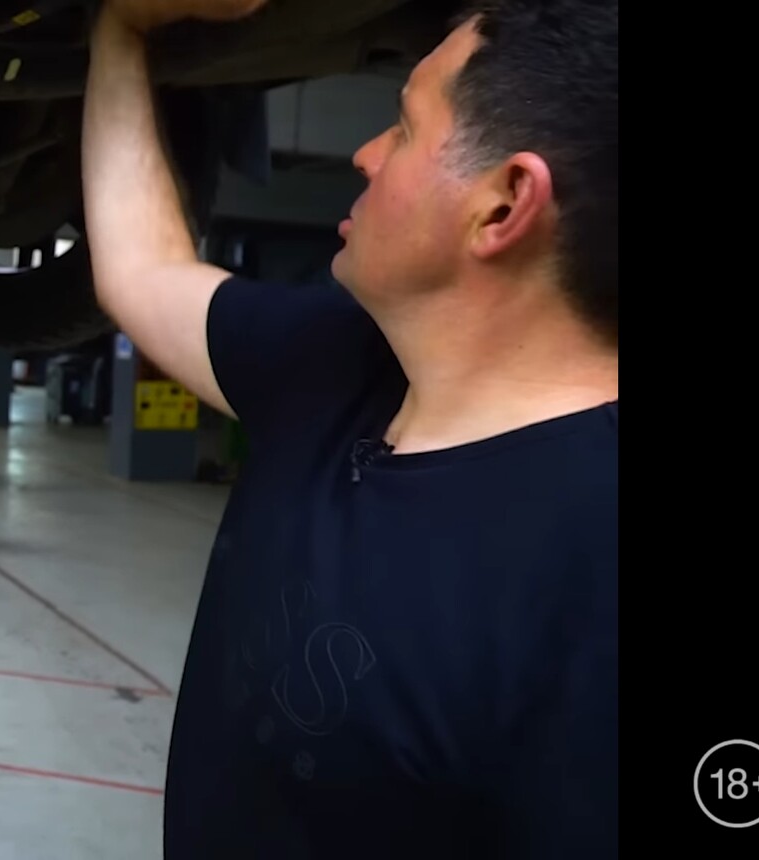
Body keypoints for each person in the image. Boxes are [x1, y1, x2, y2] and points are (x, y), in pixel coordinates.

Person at [81, 0, 617, 857]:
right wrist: (121, 31)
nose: (365, 153)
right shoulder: (339, 364)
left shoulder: (593, 566)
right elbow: (143, 270)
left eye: (403, 129)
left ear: (504, 204)